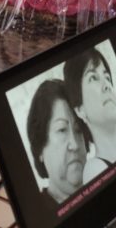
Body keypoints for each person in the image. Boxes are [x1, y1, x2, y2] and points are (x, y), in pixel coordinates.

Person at [63, 48, 116, 183]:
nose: (107, 85)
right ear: (80, 110)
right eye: (93, 78)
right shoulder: (95, 170)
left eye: (107, 77)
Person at [25, 79, 88, 208]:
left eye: (78, 129)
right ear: (40, 147)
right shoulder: (38, 215)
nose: (75, 145)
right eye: (62, 130)